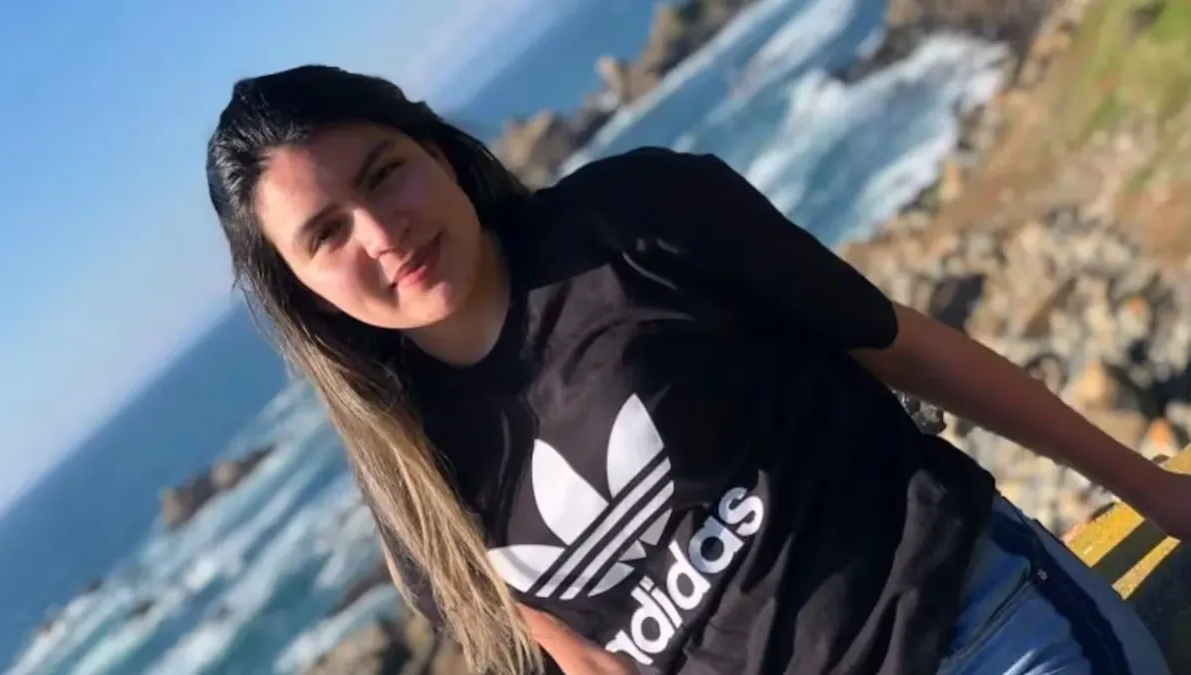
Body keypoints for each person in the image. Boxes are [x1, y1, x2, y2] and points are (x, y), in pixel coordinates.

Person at [205, 65, 1185, 675]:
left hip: (976, 632)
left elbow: (904, 344)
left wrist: (1151, 490)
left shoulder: (633, 223)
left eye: (384, 173)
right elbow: (592, 666)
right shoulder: (409, 483)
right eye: (326, 233)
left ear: (436, 151)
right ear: (302, 291)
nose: (381, 234)